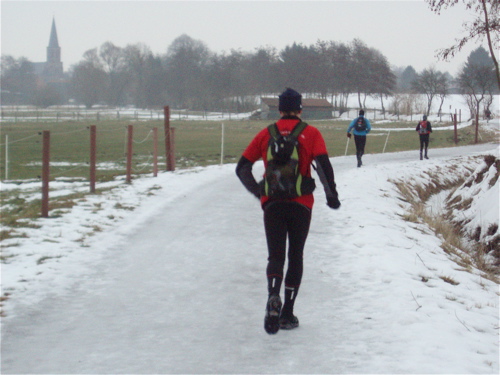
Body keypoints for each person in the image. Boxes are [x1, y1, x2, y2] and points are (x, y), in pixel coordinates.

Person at [235, 88, 341, 335]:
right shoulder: (311, 133)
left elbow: (242, 168)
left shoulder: (265, 134)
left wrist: (260, 192)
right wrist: (331, 196)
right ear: (300, 109)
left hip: (272, 204)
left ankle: (273, 295)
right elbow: (324, 167)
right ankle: (287, 313)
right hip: (301, 204)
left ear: (279, 109)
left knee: (275, 255)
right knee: (295, 255)